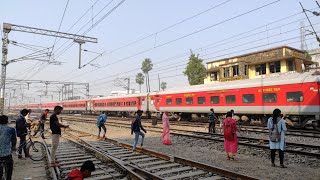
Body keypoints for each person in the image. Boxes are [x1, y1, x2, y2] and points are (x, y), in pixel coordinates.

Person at [0, 115, 17, 180]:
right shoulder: (11, 129)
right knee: (9, 169)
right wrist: (13, 147)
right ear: (7, 121)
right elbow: (14, 140)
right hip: (7, 154)